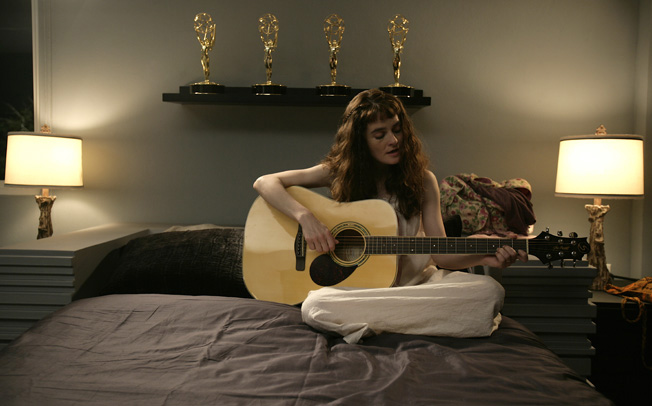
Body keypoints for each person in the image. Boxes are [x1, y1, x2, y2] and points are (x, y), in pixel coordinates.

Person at [253, 89, 528, 343]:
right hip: (363, 291)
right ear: (360, 141)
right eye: (379, 134)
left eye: (397, 130)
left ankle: (375, 322)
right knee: (316, 305)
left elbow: (442, 255)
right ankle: (413, 320)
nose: (394, 140)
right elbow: (265, 182)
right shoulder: (338, 173)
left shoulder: (423, 180)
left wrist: (482, 255)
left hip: (420, 287)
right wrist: (306, 218)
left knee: (490, 291)